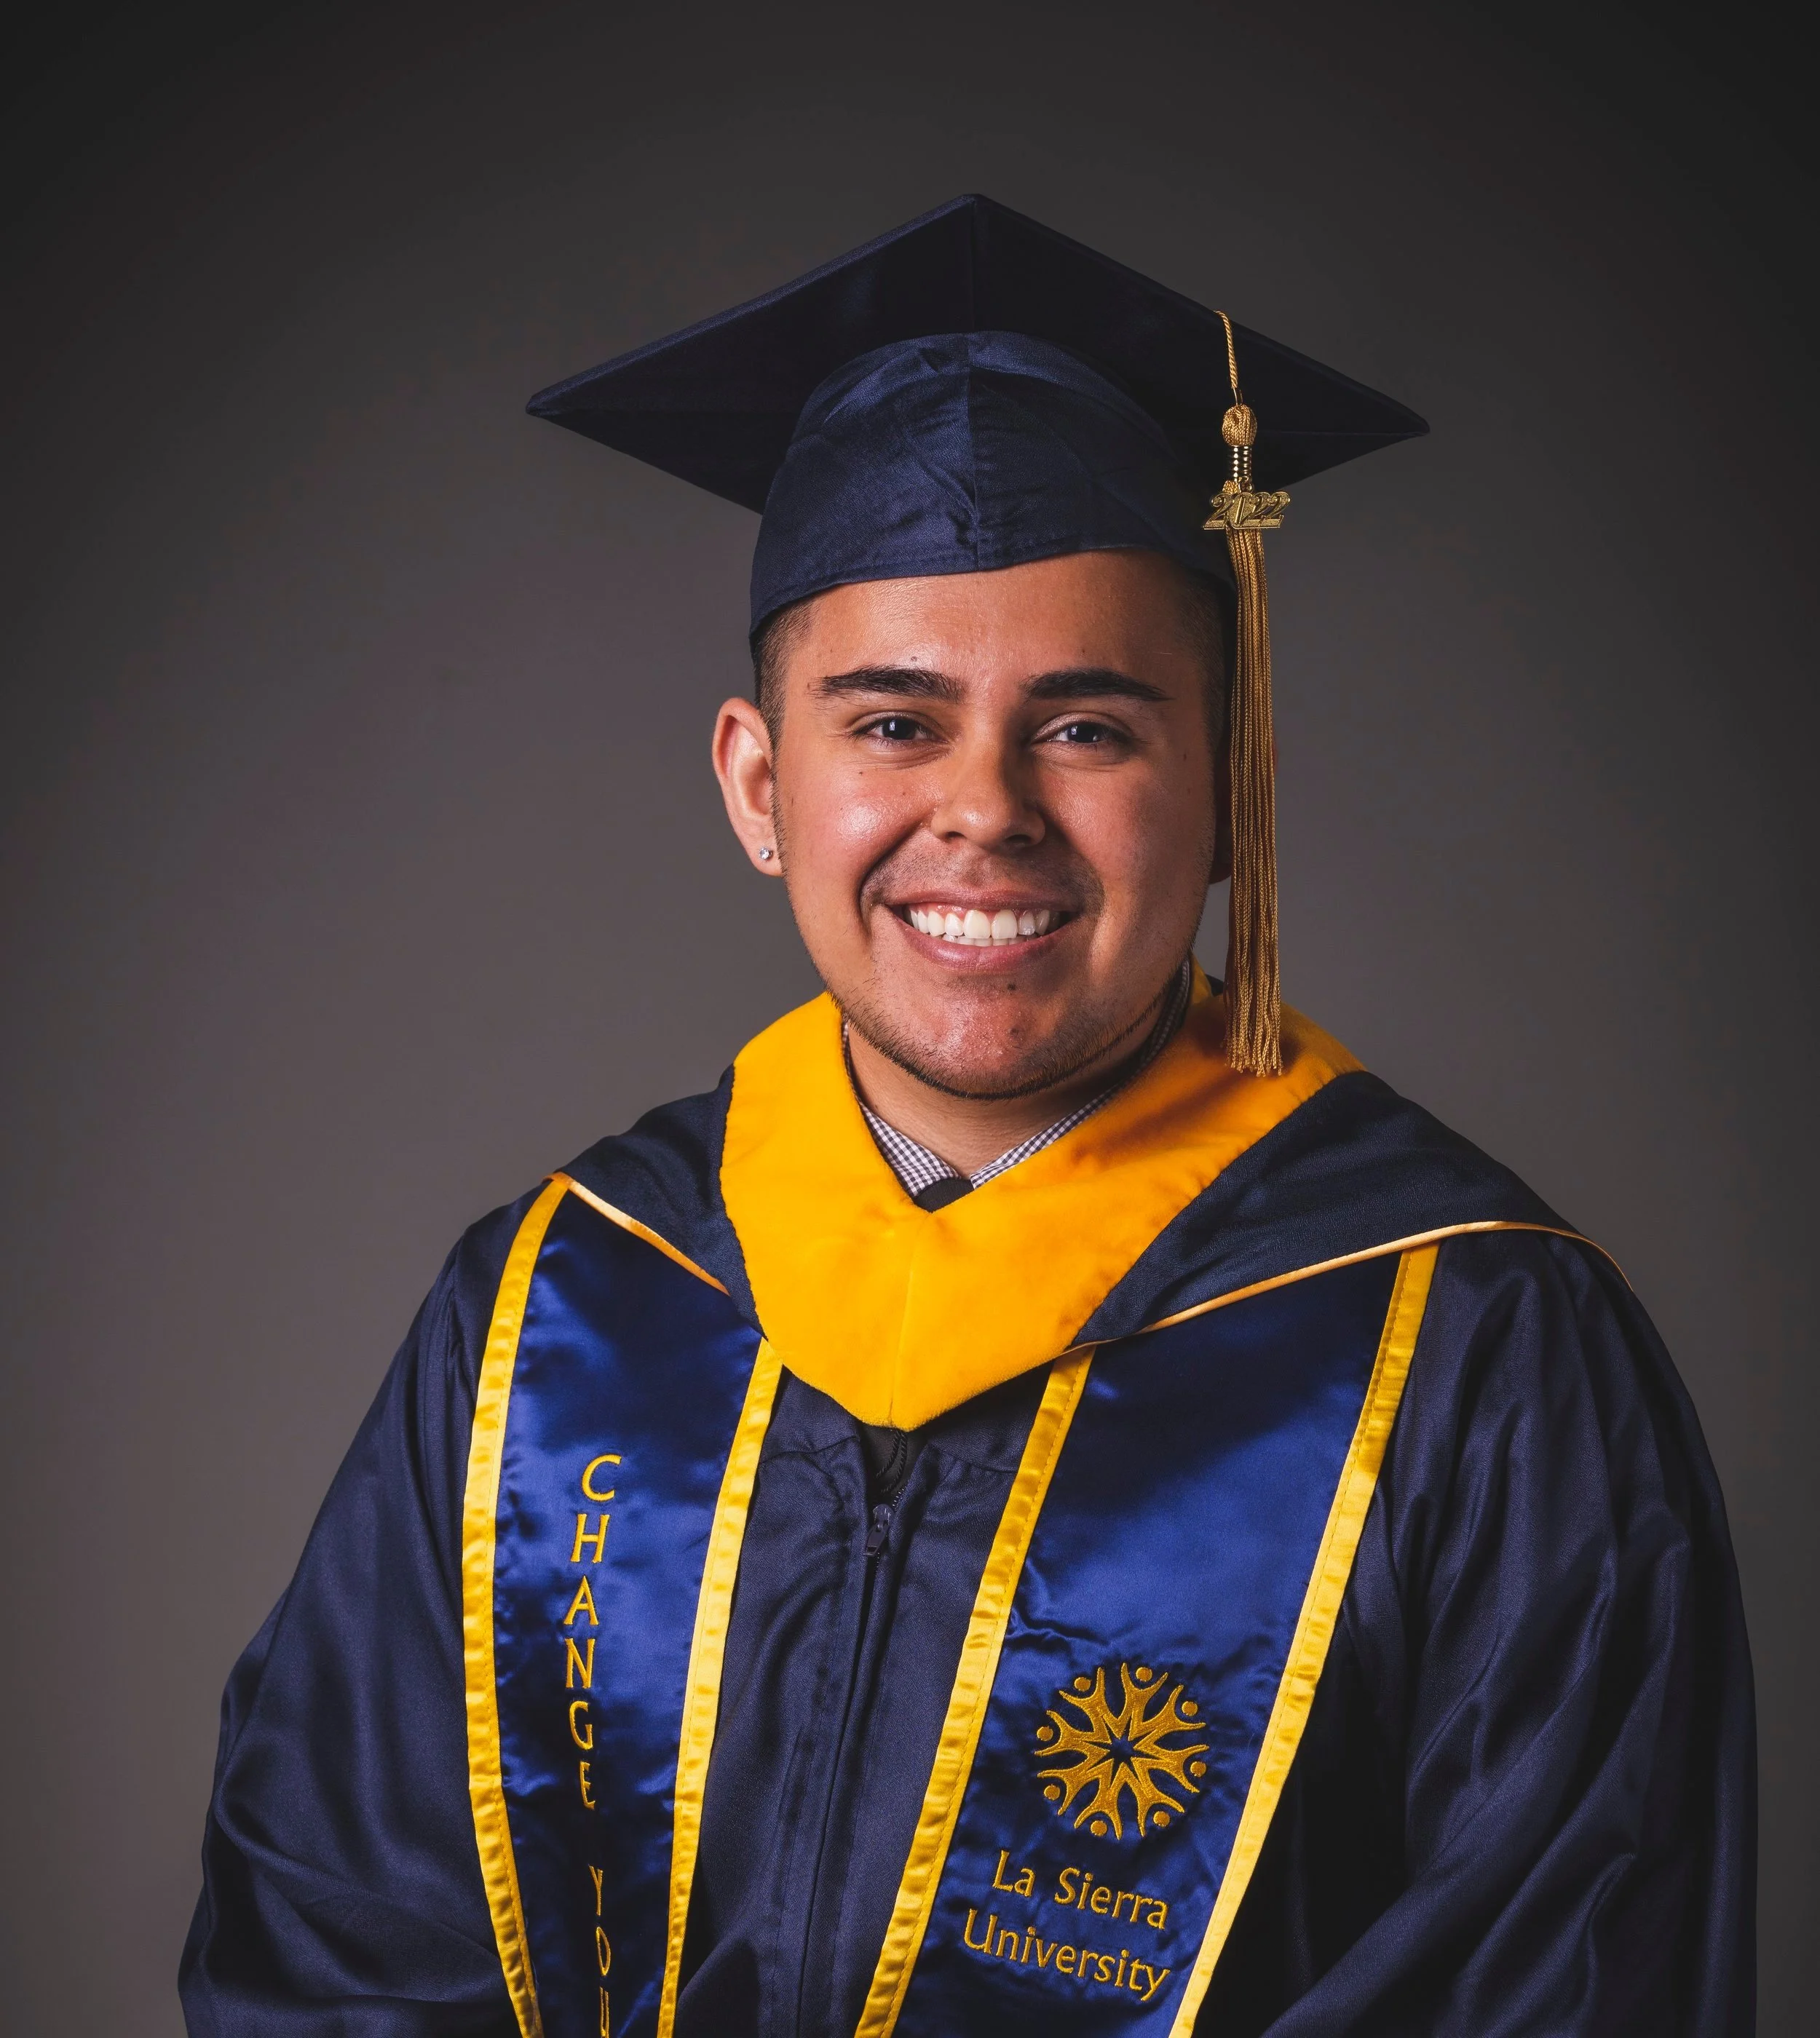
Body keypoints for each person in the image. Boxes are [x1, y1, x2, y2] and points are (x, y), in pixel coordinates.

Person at [179, 196, 1753, 2038]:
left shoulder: (1471, 1343)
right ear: (759, 785)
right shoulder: (556, 1308)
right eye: (891, 723)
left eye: (1085, 727)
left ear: (1228, 783)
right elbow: (331, 1936)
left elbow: (1556, 1980)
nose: (984, 810)